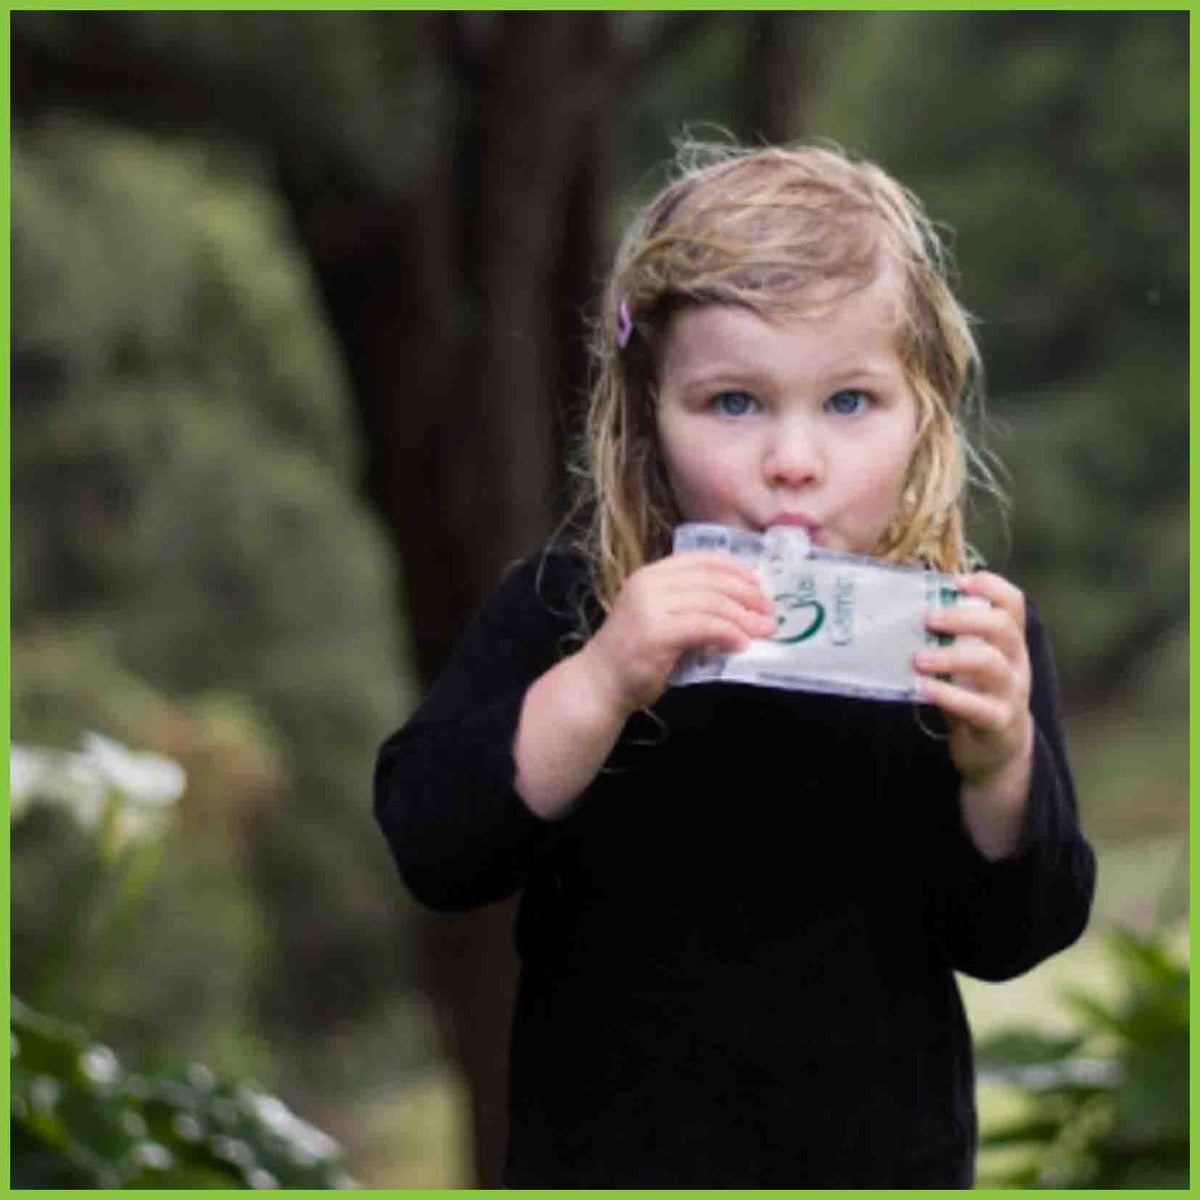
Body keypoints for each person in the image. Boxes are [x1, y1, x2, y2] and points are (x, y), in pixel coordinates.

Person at [374, 138, 1096, 1187]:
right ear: (646, 418)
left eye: (850, 401)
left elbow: (1015, 933)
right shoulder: (572, 605)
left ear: (923, 411)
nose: (792, 460)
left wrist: (999, 765)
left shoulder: (957, 640)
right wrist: (605, 677)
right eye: (733, 403)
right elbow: (434, 843)